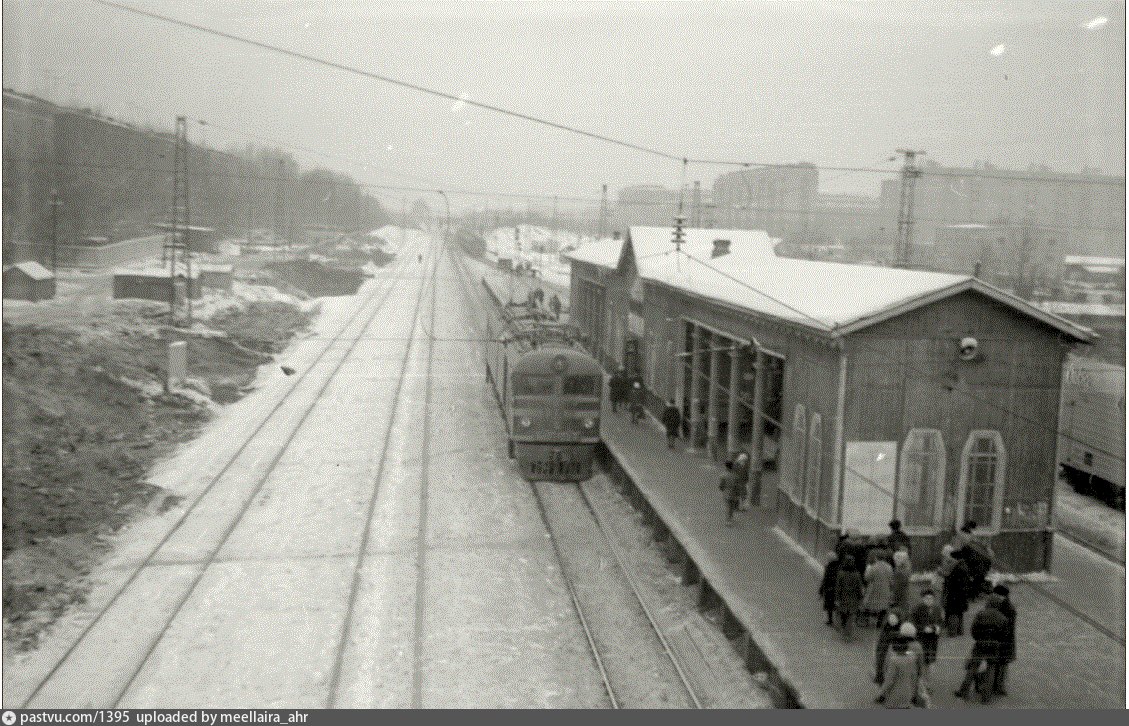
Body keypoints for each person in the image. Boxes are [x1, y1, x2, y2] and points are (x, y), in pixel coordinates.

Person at [954, 595, 1010, 704]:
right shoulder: (1003, 618)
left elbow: (973, 630)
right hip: (994, 646)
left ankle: (963, 691)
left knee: (972, 668)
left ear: (988, 603)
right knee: (991, 670)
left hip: (980, 644)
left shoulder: (981, 614)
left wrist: (979, 639)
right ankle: (986, 697)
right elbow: (1005, 635)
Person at [875, 635, 920, 709]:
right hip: (907, 694)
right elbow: (914, 677)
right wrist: (914, 693)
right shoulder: (912, 658)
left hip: (894, 695)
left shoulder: (894, 660)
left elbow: (889, 680)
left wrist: (881, 693)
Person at [911, 589, 944, 682]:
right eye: (927, 598)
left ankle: (926, 682)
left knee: (931, 662)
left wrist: (939, 628)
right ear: (922, 599)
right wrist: (923, 629)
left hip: (933, 640)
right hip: (921, 640)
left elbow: (941, 622)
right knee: (921, 662)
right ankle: (920, 683)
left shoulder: (937, 609)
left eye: (931, 598)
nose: (929, 600)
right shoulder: (917, 609)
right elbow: (912, 624)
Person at [992, 585, 1017, 697]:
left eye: (996, 595)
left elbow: (1007, 628)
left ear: (1001, 596)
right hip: (1003, 640)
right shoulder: (1003, 605)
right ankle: (997, 686)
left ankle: (999, 687)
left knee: (1002, 664)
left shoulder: (1008, 609)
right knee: (1000, 663)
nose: (994, 596)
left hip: (1005, 641)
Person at [834, 554, 864, 642]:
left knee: (843, 615)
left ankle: (843, 630)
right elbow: (859, 588)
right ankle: (847, 634)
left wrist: (837, 599)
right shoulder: (857, 574)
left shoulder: (841, 573)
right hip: (853, 599)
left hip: (843, 598)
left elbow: (838, 587)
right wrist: (860, 597)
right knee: (850, 617)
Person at [861, 550, 893, 628]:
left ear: (876, 557)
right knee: (883, 606)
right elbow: (891, 580)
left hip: (874, 589)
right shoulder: (889, 567)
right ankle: (880, 623)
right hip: (885, 589)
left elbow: (867, 578)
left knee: (873, 607)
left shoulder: (873, 567)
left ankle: (872, 623)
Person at [944, 549, 972, 636]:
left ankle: (952, 632)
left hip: (954, 594)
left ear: (955, 558)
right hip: (961, 595)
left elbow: (951, 581)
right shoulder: (964, 566)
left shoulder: (956, 568)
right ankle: (960, 631)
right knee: (959, 613)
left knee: (953, 613)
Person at [874, 608, 905, 684]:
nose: (892, 620)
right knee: (881, 661)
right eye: (890, 617)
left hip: (894, 654)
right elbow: (880, 642)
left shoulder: (902, 629)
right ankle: (880, 677)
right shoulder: (885, 627)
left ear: (898, 619)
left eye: (894, 618)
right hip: (884, 653)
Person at [818, 551, 841, 627]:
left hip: (829, 590)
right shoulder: (839, 567)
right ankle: (839, 620)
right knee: (836, 604)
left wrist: (821, 591)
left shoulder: (828, 568)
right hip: (838, 589)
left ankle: (830, 620)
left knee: (829, 606)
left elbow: (825, 580)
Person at [719, 461, 745, 526]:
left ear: (726, 467)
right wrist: (738, 494)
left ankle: (728, 520)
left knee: (728, 507)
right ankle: (730, 518)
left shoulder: (723, 476)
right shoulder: (736, 476)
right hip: (734, 493)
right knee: (731, 507)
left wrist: (722, 489)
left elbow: (721, 486)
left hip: (726, 493)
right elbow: (738, 486)